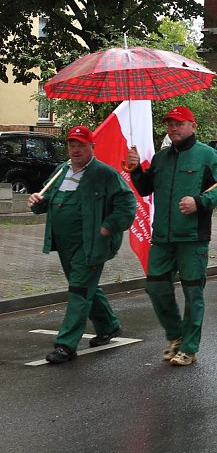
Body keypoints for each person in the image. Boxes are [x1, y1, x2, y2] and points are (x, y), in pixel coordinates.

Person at [128, 106, 217, 366]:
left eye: (179, 123)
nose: (173, 128)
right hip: (163, 237)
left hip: (193, 238)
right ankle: (175, 335)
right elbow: (144, 187)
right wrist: (135, 169)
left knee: (193, 293)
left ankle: (189, 347)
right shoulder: (161, 158)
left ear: (192, 126)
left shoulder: (207, 155)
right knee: (155, 287)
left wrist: (199, 201)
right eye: (170, 124)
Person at [27, 125, 136, 364]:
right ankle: (109, 325)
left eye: (81, 145)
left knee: (78, 289)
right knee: (86, 287)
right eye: (72, 145)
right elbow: (45, 202)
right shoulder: (60, 171)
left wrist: (109, 226)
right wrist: (36, 201)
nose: (76, 150)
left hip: (92, 244)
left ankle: (66, 345)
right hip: (64, 244)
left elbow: (128, 204)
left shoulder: (105, 174)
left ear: (92, 147)